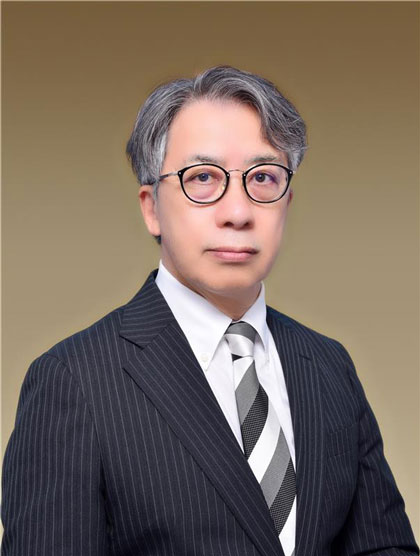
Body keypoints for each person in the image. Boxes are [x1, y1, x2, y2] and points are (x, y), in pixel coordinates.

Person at [1, 66, 418, 556]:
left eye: (263, 178)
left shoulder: (328, 365)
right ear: (151, 207)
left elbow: (383, 548)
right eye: (202, 178)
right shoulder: (74, 379)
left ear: (287, 201)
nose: (238, 212)